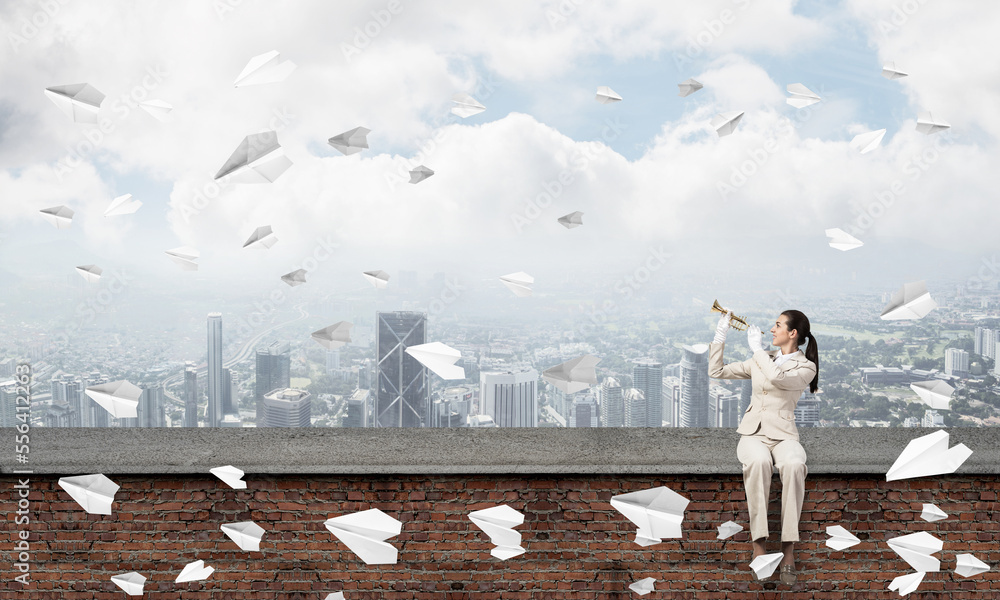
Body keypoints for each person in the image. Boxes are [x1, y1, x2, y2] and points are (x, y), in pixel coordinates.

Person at [708, 309, 819, 585]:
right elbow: (717, 371)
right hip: (754, 433)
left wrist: (757, 349)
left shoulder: (806, 368)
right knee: (758, 463)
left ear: (792, 334)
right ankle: (759, 545)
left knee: (794, 465)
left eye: (778, 325)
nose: (772, 329)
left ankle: (788, 550)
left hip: (784, 435)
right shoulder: (763, 359)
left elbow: (778, 378)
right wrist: (720, 333)